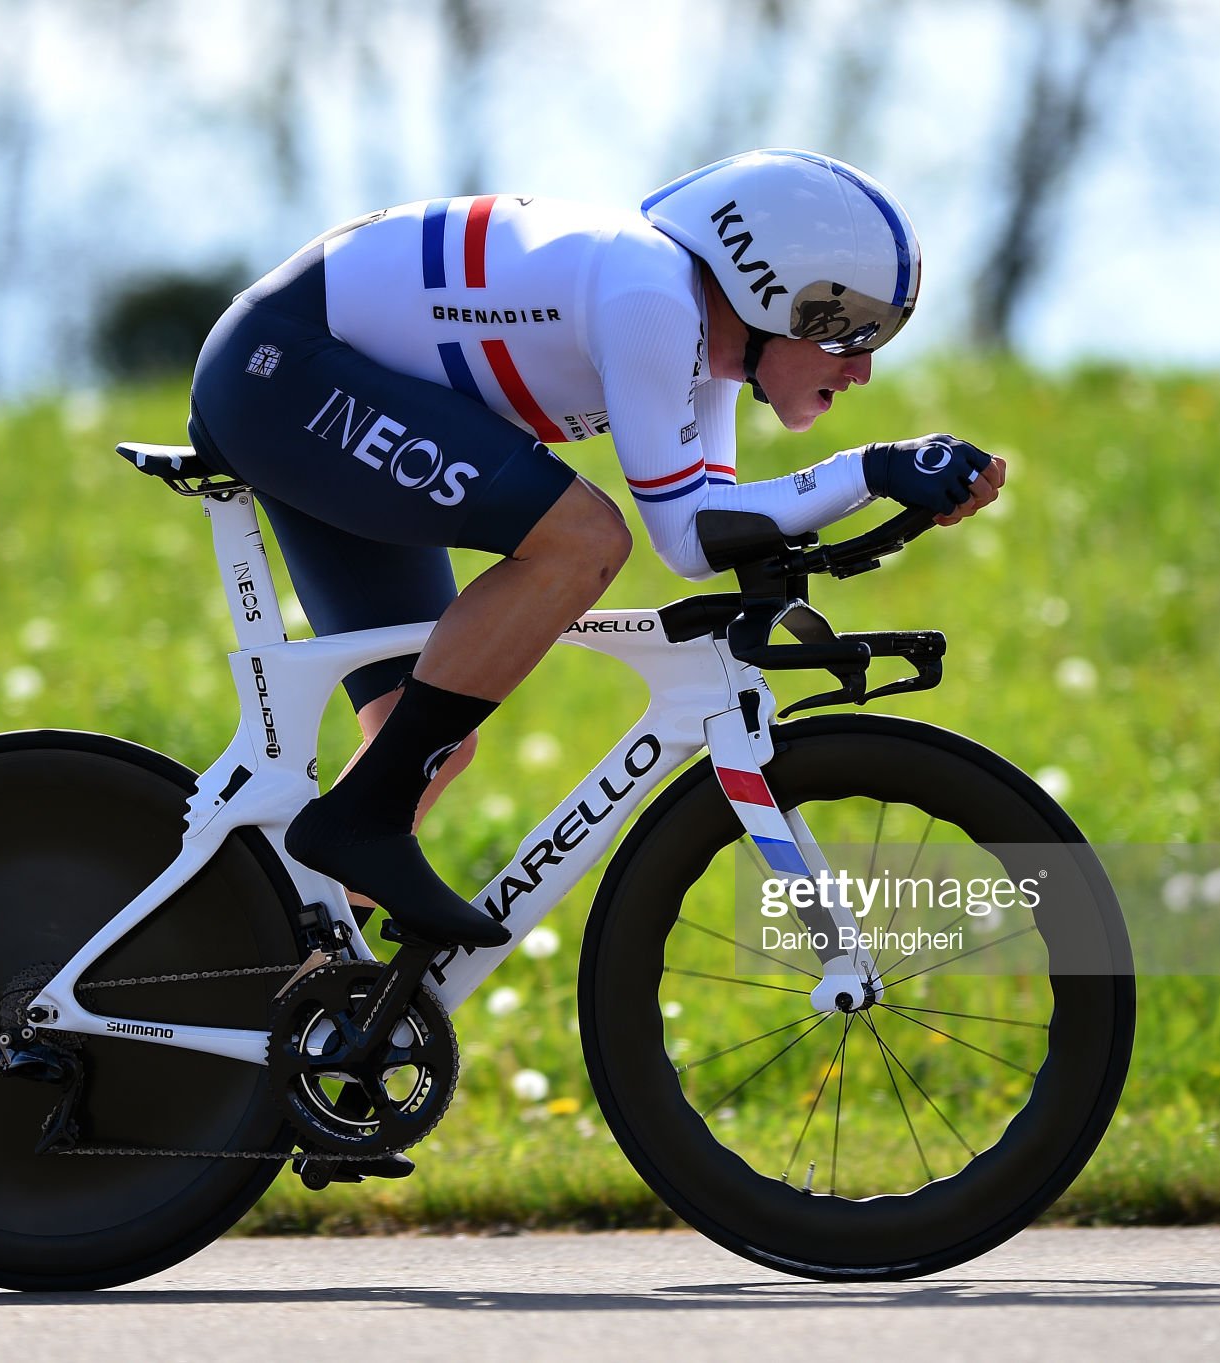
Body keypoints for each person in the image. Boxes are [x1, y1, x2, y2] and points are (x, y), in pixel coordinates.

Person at [187, 147, 1005, 967]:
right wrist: (872, 468)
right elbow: (683, 533)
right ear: (773, 295)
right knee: (582, 539)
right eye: (853, 332)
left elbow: (706, 534)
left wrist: (886, 485)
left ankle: (286, 984)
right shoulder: (652, 295)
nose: (863, 368)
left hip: (304, 376)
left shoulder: (707, 346)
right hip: (278, 370)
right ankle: (356, 824)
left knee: (424, 735)